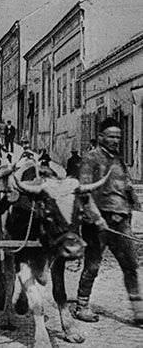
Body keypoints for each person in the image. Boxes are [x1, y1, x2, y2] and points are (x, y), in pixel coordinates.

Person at [74, 117, 143, 325]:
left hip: (120, 221)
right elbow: (83, 192)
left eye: (118, 137)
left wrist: (136, 210)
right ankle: (82, 306)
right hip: (98, 223)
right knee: (93, 265)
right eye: (111, 136)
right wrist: (96, 218)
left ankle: (139, 311)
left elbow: (128, 188)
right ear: (101, 136)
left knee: (130, 265)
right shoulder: (90, 158)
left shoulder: (118, 160)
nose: (115, 140)